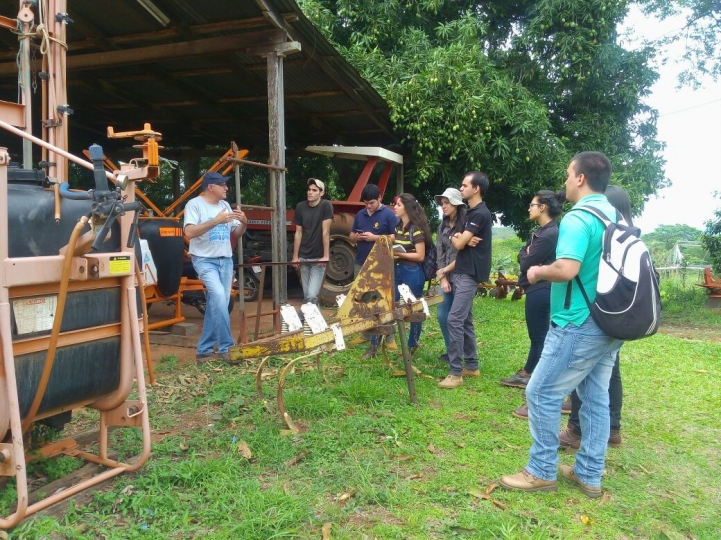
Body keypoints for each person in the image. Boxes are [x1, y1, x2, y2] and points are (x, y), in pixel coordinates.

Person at [500, 151, 624, 499]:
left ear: (581, 178)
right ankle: (588, 473)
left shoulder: (578, 218)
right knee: (595, 397)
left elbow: (566, 269)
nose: (566, 181)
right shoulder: (612, 214)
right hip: (610, 319)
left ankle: (540, 470)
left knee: (540, 391)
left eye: (569, 174)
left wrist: (537, 271)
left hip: (578, 322)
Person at [559, 185, 634, 450]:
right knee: (609, 375)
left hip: (594, 313)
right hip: (620, 315)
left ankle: (577, 430)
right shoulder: (628, 234)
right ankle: (612, 428)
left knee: (582, 377)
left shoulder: (597, 228)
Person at [499, 190, 570, 419]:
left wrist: (526, 255)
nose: (528, 208)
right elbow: (523, 254)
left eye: (532, 204)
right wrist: (526, 254)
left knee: (540, 338)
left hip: (542, 288)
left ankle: (536, 382)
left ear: (543, 208)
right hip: (536, 288)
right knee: (537, 336)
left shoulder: (550, 234)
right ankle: (527, 373)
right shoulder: (541, 231)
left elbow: (527, 260)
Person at [184, 171, 248, 365]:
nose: (226, 188)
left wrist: (244, 222)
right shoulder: (194, 205)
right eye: (223, 185)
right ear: (211, 187)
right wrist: (215, 221)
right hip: (204, 260)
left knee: (216, 303)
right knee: (220, 299)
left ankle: (203, 351)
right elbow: (189, 232)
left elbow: (236, 232)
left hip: (226, 260)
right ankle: (226, 348)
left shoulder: (225, 205)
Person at [438, 171, 493, 389]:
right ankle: (472, 365)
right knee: (466, 320)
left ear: (476, 188)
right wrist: (458, 237)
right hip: (461, 269)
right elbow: (459, 240)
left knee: (454, 319)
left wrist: (458, 239)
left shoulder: (480, 213)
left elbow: (458, 245)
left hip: (469, 273)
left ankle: (455, 373)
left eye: (464, 185)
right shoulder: (470, 213)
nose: (461, 189)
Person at [363, 193, 431, 359]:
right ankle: (373, 345)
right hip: (397, 270)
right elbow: (392, 241)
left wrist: (399, 254)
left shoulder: (416, 229)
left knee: (412, 311)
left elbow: (420, 256)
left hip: (412, 273)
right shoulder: (399, 227)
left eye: (399, 205)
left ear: (407, 208)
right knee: (384, 305)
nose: (395, 207)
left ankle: (411, 347)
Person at [348, 184, 398, 347]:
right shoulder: (360, 215)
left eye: (371, 203)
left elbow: (395, 238)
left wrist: (375, 238)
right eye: (366, 203)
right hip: (361, 261)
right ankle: (366, 333)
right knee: (363, 298)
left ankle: (390, 337)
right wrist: (357, 236)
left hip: (381, 264)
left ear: (379, 199)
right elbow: (350, 236)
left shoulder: (389, 215)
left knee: (384, 299)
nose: (368, 206)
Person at [433, 187, 466, 363]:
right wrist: (443, 277)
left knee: (460, 318)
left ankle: (462, 354)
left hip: (461, 275)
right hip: (445, 274)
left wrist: (445, 272)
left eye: (447, 203)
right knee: (442, 314)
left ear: (456, 204)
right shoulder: (442, 226)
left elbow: (463, 255)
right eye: (442, 203)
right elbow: (440, 253)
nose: (443, 206)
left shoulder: (466, 225)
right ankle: (450, 350)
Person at [292, 178, 334, 306]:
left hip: (318, 258)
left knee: (310, 295)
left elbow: (325, 232)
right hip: (304, 257)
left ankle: (306, 320)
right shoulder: (300, 207)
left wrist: (326, 256)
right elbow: (298, 232)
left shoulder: (325, 205)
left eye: (314, 190)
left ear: (321, 193)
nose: (310, 192)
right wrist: (295, 257)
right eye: (309, 190)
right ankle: (316, 324)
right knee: (309, 296)